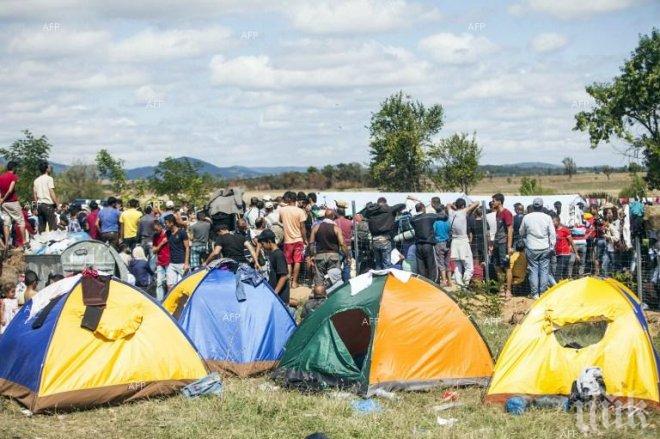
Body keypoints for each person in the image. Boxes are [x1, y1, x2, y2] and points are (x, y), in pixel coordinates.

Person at [519, 198, 556, 299]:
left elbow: (521, 232)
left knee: (533, 270)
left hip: (531, 247)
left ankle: (535, 294)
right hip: (544, 247)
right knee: (544, 270)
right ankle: (543, 293)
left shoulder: (527, 217)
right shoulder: (547, 217)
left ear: (533, 206)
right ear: (542, 206)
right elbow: (552, 234)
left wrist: (526, 237)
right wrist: (552, 246)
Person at [363, 197, 406, 270]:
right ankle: (386, 280)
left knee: (378, 264)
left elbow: (364, 215)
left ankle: (378, 279)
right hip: (385, 239)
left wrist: (373, 206)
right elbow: (403, 205)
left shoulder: (371, 211)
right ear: (385, 203)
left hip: (375, 240)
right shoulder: (389, 209)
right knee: (387, 265)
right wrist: (388, 207)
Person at [447, 198, 479, 287]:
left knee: (457, 267)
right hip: (463, 241)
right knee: (469, 267)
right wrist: (467, 207)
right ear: (463, 206)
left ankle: (460, 285)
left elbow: (448, 204)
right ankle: (465, 284)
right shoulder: (463, 212)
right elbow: (477, 202)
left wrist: (454, 207)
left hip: (454, 242)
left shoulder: (451, 213)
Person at [309, 209, 347, 286]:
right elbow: (342, 243)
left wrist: (312, 256)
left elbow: (311, 243)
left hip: (320, 256)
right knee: (335, 280)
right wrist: (347, 255)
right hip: (333, 256)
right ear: (333, 216)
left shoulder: (316, 227)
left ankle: (319, 295)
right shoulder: (336, 228)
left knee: (319, 279)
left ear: (325, 216)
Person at [279, 191, 308, 288]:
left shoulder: (282, 210)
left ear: (288, 199)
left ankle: (288, 282)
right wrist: (305, 239)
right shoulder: (300, 211)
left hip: (287, 240)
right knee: (297, 261)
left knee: (288, 262)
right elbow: (303, 227)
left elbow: (280, 220)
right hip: (298, 239)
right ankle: (294, 282)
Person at [411, 202, 445, 281]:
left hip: (418, 246)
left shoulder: (413, 219)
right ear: (423, 208)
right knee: (432, 267)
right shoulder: (429, 216)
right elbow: (444, 217)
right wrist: (438, 208)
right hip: (428, 244)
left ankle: (423, 285)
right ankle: (434, 284)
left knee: (421, 268)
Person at [258, 230, 290, 305]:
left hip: (280, 296)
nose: (262, 246)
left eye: (263, 244)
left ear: (269, 242)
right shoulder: (271, 253)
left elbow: (283, 276)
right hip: (275, 293)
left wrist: (275, 293)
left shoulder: (278, 255)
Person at [492, 193, 514, 297]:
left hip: (504, 244)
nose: (492, 202)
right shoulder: (497, 213)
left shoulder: (506, 213)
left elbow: (510, 230)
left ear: (499, 202)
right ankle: (501, 289)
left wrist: (509, 246)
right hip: (497, 243)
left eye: (494, 201)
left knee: (506, 267)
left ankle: (508, 291)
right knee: (496, 266)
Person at [0, 161, 25, 246]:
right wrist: (3, 198)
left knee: (6, 223)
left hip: (4, 204)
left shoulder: (1, 177)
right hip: (12, 202)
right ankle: (24, 243)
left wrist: (1, 199)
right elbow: (10, 190)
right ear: (14, 168)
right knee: (21, 222)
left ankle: (6, 244)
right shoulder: (13, 176)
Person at [164, 214, 189, 290]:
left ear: (171, 223)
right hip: (171, 263)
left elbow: (187, 248)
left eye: (166, 223)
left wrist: (186, 263)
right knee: (170, 286)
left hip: (182, 263)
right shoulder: (167, 233)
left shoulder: (182, 233)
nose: (165, 225)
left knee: (185, 287)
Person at [33, 161, 58, 233]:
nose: (50, 168)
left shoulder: (36, 180)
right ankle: (53, 243)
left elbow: (35, 194)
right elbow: (51, 192)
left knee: (41, 227)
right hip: (48, 205)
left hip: (40, 206)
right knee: (53, 227)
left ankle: (41, 242)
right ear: (46, 169)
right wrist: (57, 203)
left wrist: (36, 206)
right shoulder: (49, 179)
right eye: (49, 167)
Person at [554, 215, 578, 280]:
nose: (553, 223)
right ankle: (567, 285)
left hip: (564, 254)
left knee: (558, 273)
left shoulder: (565, 230)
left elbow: (572, 242)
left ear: (559, 221)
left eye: (554, 221)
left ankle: (556, 286)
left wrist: (576, 254)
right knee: (565, 273)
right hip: (558, 254)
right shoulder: (553, 230)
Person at [334, 203, 354, 282]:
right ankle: (345, 285)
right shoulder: (350, 222)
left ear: (337, 213)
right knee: (347, 267)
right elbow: (352, 234)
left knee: (336, 268)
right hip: (348, 248)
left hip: (337, 247)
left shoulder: (334, 222)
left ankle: (337, 285)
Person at [152, 220, 170, 301]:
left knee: (169, 283)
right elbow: (154, 250)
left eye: (156, 229)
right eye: (154, 230)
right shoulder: (155, 236)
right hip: (160, 262)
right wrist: (161, 243)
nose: (155, 231)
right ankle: (159, 301)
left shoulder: (167, 234)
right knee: (159, 283)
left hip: (168, 261)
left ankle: (169, 299)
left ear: (160, 226)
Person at [433, 210, 452, 286]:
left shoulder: (436, 223)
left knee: (440, 263)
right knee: (447, 263)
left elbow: (433, 232)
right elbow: (450, 231)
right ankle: (450, 281)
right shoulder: (448, 223)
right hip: (448, 244)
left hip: (439, 243)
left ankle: (444, 281)